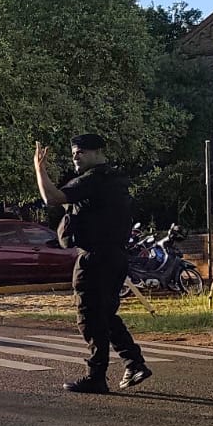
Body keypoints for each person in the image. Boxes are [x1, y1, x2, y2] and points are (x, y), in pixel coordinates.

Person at [34, 134, 150, 394]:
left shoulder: (93, 180)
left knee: (88, 315)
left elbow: (52, 198)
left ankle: (96, 376)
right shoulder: (115, 179)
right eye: (74, 152)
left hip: (95, 258)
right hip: (115, 256)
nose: (76, 156)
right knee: (105, 314)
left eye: (82, 151)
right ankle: (134, 362)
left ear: (98, 152)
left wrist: (39, 170)